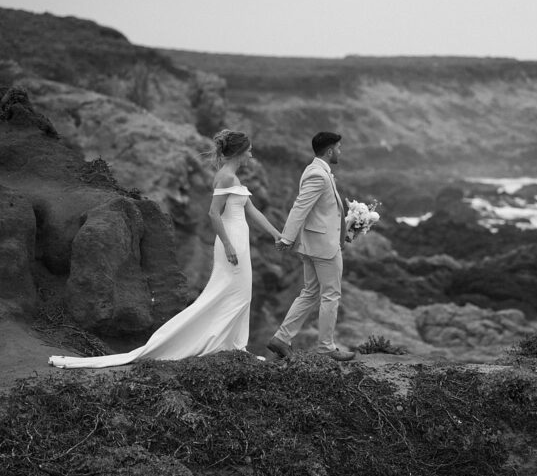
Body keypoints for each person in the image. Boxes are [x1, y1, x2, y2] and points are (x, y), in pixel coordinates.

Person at [49, 130, 282, 368]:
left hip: (239, 239)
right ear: (239, 152)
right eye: (249, 151)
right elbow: (213, 213)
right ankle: (218, 343)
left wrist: (276, 234)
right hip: (231, 240)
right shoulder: (226, 178)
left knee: (239, 293)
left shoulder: (233, 178)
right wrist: (229, 244)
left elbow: (251, 210)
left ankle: (233, 344)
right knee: (232, 293)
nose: (251, 155)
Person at [267, 132, 355, 362]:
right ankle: (326, 348)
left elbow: (323, 212)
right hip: (323, 248)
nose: (340, 151)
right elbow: (300, 207)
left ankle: (281, 338)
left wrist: (345, 231)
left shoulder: (315, 170)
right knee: (331, 295)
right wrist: (287, 238)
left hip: (316, 244)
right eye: (338, 148)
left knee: (310, 293)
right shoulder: (318, 174)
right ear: (330, 151)